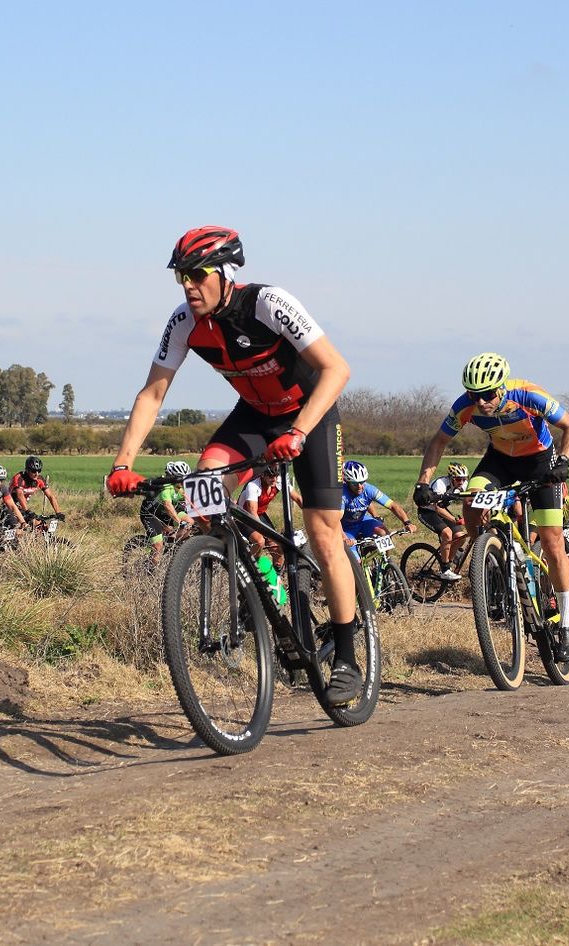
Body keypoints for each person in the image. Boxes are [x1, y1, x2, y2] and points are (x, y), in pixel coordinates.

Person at [104, 226, 364, 706]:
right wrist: (123, 463)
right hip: (254, 419)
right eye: (181, 276)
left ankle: (347, 656)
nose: (188, 285)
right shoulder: (183, 322)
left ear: (224, 273)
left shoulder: (268, 303)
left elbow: (336, 369)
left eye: (196, 275)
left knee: (324, 533)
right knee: (206, 486)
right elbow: (153, 393)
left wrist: (300, 431)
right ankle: (253, 581)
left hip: (310, 413)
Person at [415, 353, 569, 649]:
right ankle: (488, 558)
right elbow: (438, 442)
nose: (481, 402)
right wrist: (423, 483)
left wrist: (564, 461)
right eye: (474, 395)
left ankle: (567, 617)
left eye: (487, 395)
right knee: (472, 500)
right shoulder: (464, 407)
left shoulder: (529, 395)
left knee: (552, 541)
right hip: (500, 461)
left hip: (541, 462)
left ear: (501, 387)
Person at [339, 460, 416, 557]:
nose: (359, 486)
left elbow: (392, 505)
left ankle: (387, 563)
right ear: (347, 482)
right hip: (346, 528)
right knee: (357, 563)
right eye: (355, 483)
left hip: (363, 521)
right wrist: (344, 538)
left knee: (383, 533)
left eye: (362, 482)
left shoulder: (369, 489)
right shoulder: (342, 495)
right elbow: (336, 520)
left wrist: (407, 522)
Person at [415, 462, 471, 580]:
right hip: (427, 511)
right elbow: (438, 508)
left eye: (463, 479)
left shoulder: (464, 484)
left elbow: (470, 501)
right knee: (447, 534)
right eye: (458, 479)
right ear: (451, 478)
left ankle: (447, 562)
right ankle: (444, 570)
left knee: (461, 536)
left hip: (442, 510)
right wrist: (455, 519)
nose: (461, 482)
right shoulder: (440, 484)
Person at [239, 463, 304, 555]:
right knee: (260, 541)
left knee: (278, 549)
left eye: (276, 476)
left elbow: (298, 499)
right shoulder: (253, 486)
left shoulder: (278, 481)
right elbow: (252, 513)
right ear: (262, 475)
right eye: (270, 476)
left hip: (260, 514)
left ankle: (274, 568)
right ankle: (246, 565)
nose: (274, 479)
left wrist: (312, 513)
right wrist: (267, 535)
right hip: (243, 516)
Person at [139, 460, 196, 564]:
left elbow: (192, 500)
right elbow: (167, 505)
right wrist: (179, 522)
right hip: (151, 515)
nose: (184, 480)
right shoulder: (166, 487)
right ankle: (148, 569)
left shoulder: (181, 487)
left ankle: (173, 545)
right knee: (158, 547)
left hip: (164, 513)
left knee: (190, 521)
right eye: (181, 478)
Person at [7, 456, 64, 527]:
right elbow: (19, 495)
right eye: (33, 471)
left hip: (22, 509)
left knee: (41, 526)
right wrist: (27, 511)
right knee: (19, 530)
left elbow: (50, 496)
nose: (36, 474)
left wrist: (58, 512)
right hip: (9, 508)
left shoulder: (39, 479)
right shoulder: (19, 478)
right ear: (27, 470)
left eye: (39, 470)